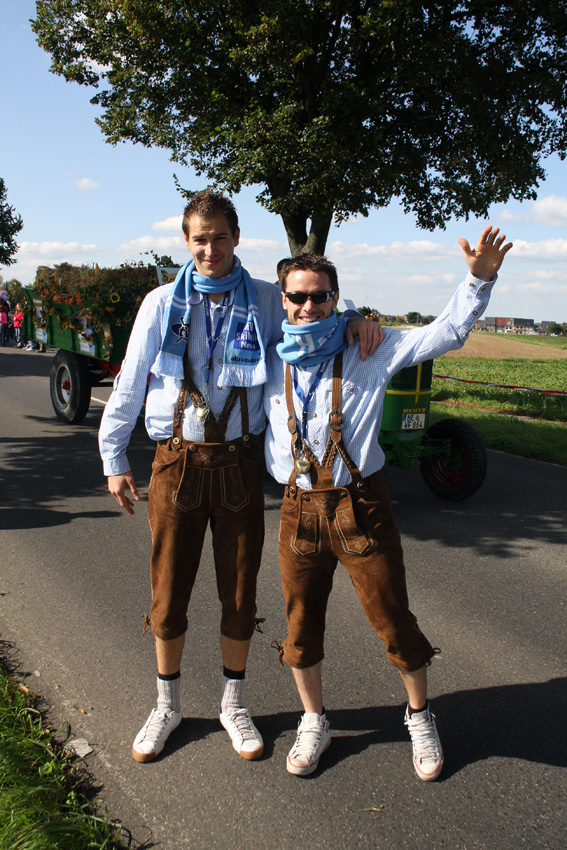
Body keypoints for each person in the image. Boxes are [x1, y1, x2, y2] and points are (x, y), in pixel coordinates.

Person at [98, 190, 381, 765]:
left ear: (236, 237)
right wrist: (114, 457)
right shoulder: (160, 303)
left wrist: (354, 318)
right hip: (175, 461)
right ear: (186, 241)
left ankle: (233, 701)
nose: (210, 249)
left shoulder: (262, 298)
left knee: (239, 588)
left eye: (219, 237)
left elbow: (314, 317)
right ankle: (167, 703)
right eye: (199, 239)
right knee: (168, 588)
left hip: (239, 463)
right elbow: (130, 382)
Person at [264, 226, 512, 780]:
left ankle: (419, 715)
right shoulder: (265, 355)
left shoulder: (367, 349)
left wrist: (478, 278)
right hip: (298, 510)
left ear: (336, 298)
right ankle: (314, 720)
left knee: (393, 619)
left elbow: (446, 332)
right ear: (283, 300)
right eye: (298, 296)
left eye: (321, 296)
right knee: (300, 624)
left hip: (361, 506)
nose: (308, 306)